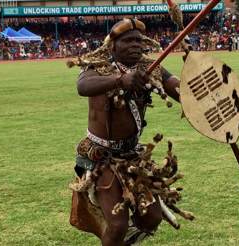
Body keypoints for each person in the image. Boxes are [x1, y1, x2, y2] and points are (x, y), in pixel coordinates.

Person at [67, 18, 193, 246]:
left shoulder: (149, 68)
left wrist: (201, 97)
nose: (136, 45)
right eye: (128, 41)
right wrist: (120, 80)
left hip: (132, 157)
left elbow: (179, 90)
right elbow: (82, 87)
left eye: (139, 40)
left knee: (152, 218)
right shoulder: (98, 66)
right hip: (102, 156)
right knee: (117, 225)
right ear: (113, 44)